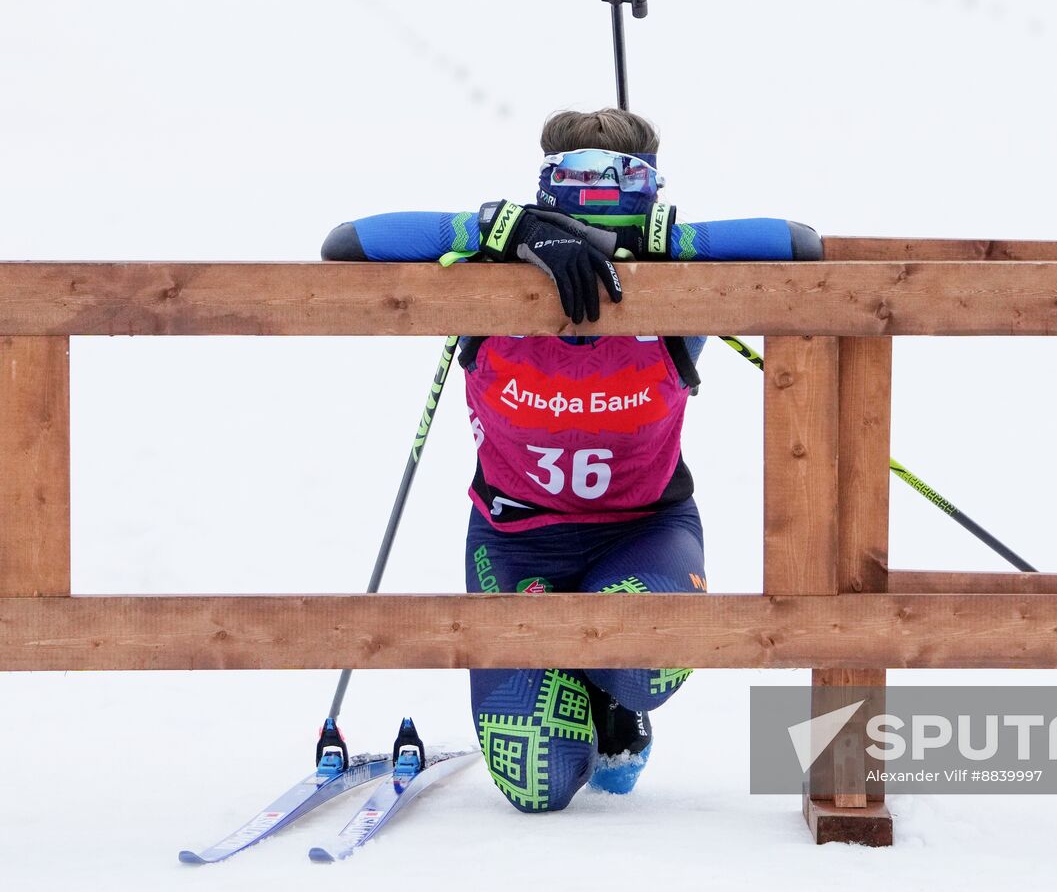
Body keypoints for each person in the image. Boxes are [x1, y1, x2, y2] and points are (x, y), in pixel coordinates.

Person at [322, 108, 820, 812]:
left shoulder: (679, 284)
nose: (597, 191)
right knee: (537, 786)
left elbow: (801, 244)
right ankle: (570, 683)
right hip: (516, 539)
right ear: (546, 185)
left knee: (641, 655)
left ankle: (618, 701)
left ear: (650, 187)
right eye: (575, 176)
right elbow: (345, 244)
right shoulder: (488, 278)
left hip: (641, 531)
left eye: (622, 178)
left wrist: (662, 239)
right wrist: (505, 229)